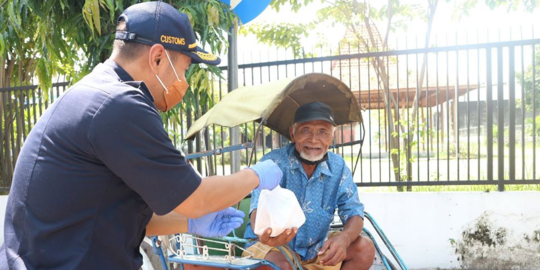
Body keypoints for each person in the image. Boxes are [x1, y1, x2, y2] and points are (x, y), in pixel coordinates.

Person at [0, 2, 282, 270]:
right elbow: (195, 198)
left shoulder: (99, 94)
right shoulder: (119, 105)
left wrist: (190, 224)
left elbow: (126, 216)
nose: (181, 83)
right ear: (158, 57)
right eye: (183, 70)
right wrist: (256, 175)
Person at [242, 102, 376, 270]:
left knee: (364, 248)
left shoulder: (338, 167)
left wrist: (344, 239)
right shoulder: (273, 163)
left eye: (322, 132)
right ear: (292, 133)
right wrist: (266, 234)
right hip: (272, 248)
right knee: (281, 265)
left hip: (316, 251)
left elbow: (354, 212)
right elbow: (257, 217)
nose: (313, 140)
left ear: (331, 137)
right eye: (305, 130)